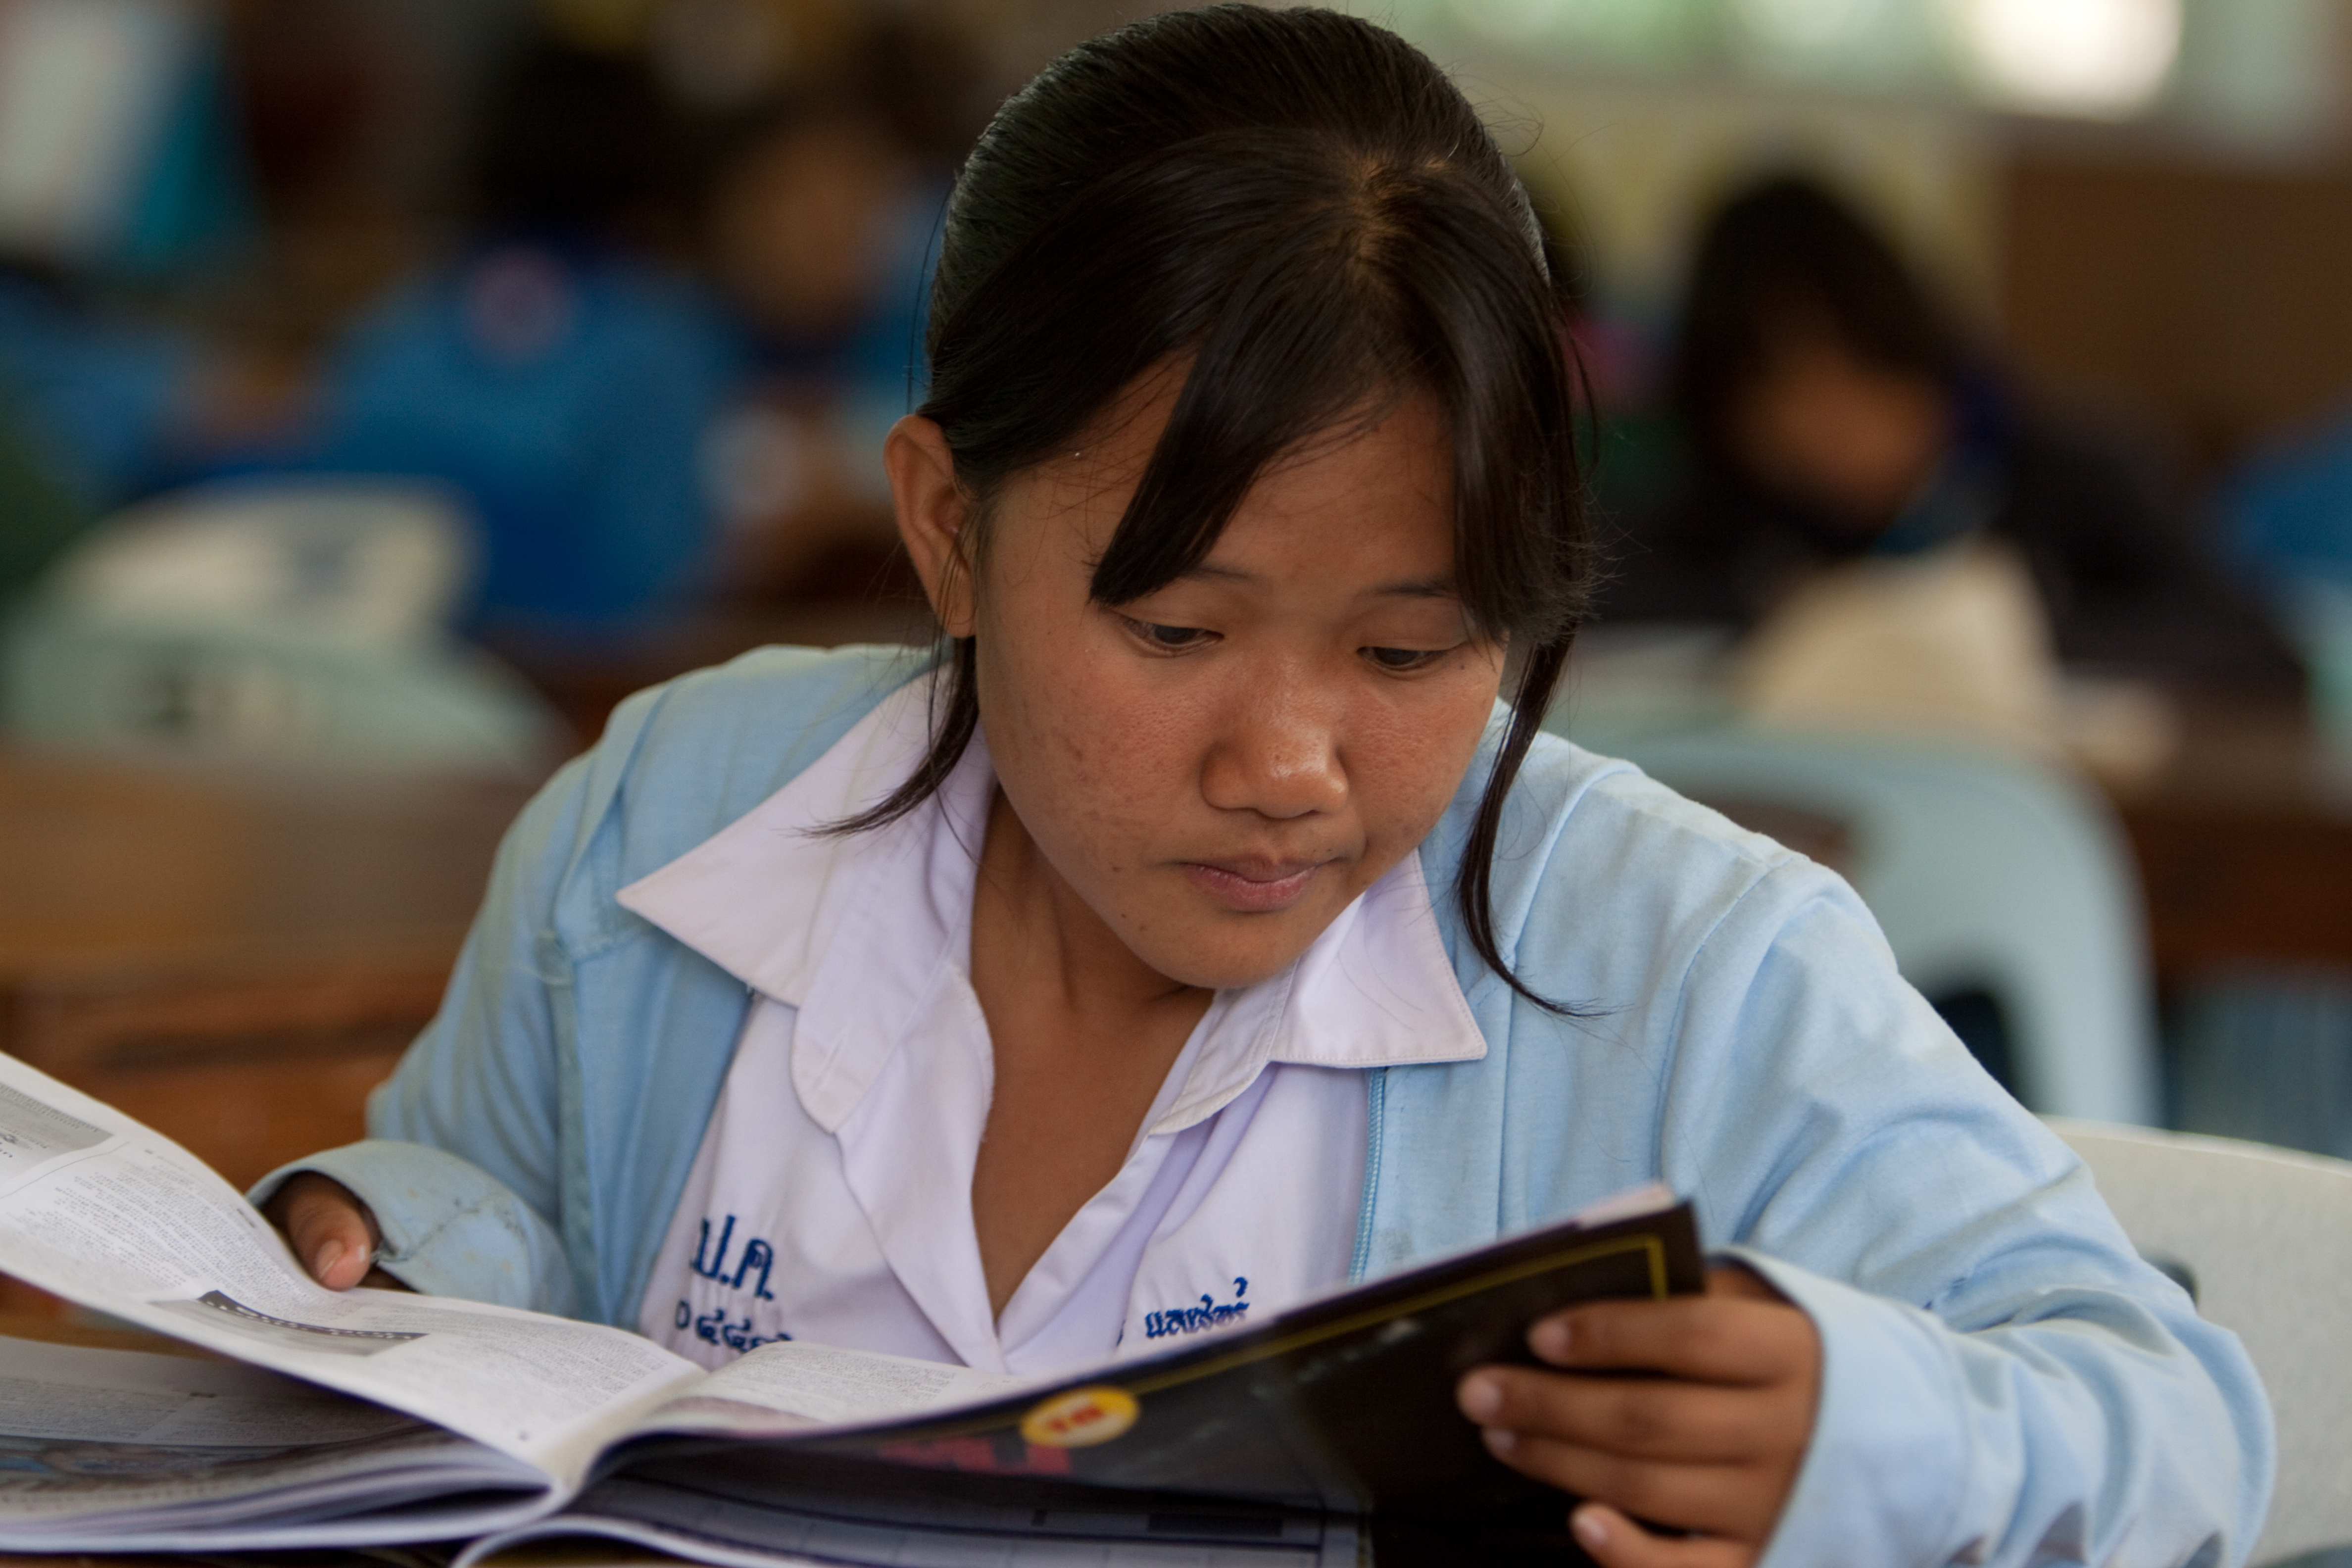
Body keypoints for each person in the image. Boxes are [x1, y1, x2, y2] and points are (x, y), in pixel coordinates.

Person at [251, 10, 2271, 1566]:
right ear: (948, 529)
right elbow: (505, 1207)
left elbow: (2169, 1415)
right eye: (1175, 629)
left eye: (1410, 652)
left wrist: (1850, 1435)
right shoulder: (670, 817)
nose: (1288, 765)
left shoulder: (1679, 971)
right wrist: (398, 1244)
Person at [1601, 175, 2303, 696]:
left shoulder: (2075, 474)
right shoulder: (1718, 516)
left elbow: (2256, 647)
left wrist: (2001, 629)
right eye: (1776, 395)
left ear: (1919, 354)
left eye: (1857, 373)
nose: (1824, 423)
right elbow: (1592, 608)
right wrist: (1802, 611)